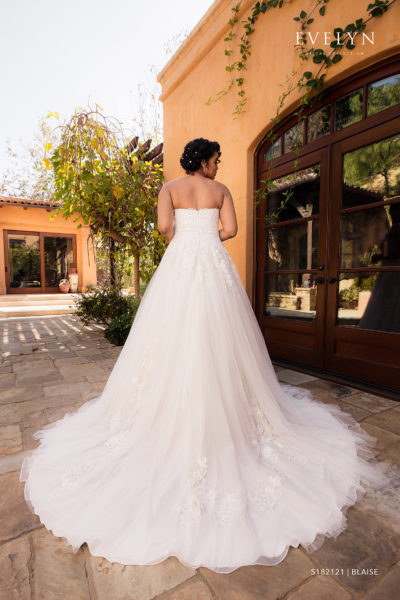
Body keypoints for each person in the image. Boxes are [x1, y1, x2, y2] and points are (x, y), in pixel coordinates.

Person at [20, 137, 389, 573]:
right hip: (213, 266)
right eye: (216, 158)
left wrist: (186, 233)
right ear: (204, 159)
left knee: (169, 335)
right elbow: (230, 231)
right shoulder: (221, 191)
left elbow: (164, 228)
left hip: (179, 265)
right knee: (223, 336)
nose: (218, 164)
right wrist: (207, 234)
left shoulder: (170, 188)